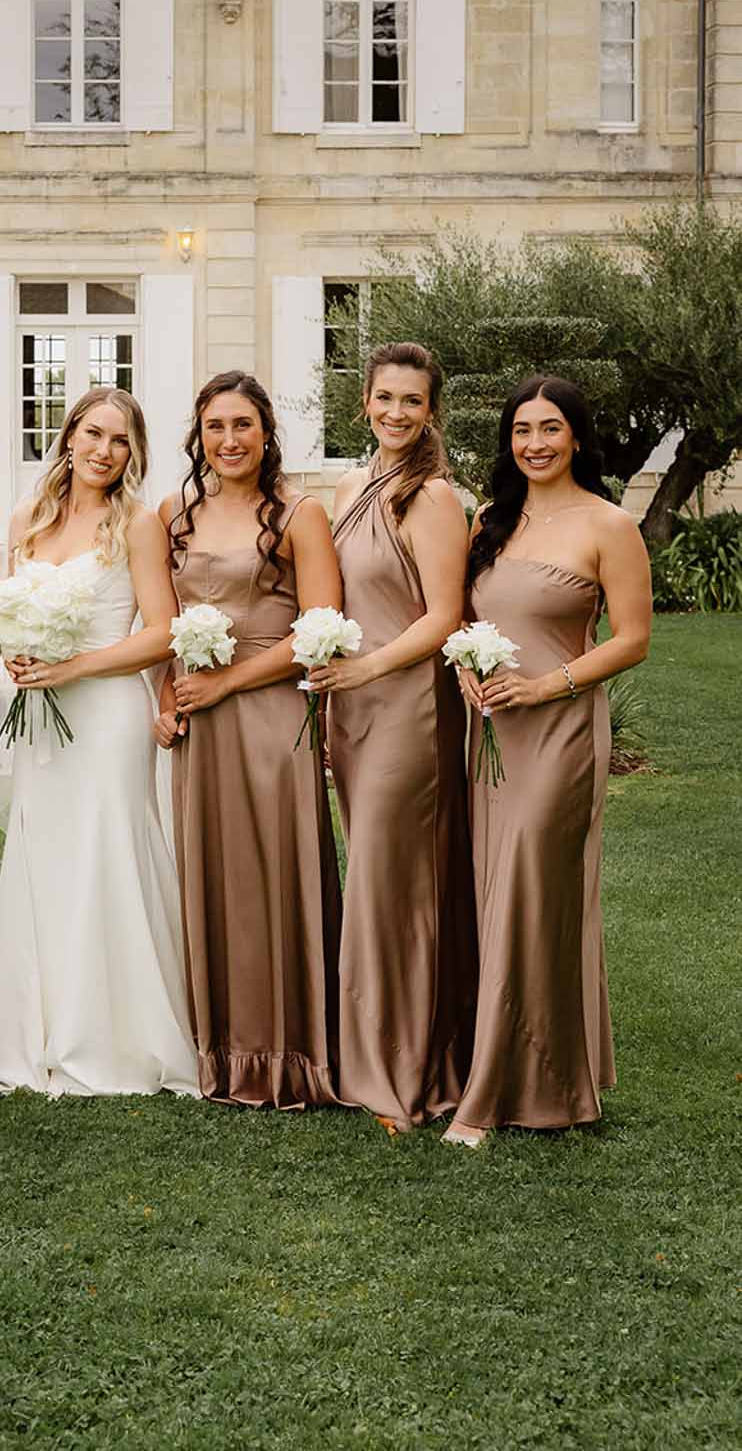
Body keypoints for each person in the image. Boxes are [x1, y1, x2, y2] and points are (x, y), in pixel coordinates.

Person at [445, 377, 651, 1146]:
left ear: (577, 436)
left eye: (551, 428)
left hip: (560, 729)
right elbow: (466, 614)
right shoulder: (489, 522)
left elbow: (632, 638)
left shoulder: (608, 524)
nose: (535, 443)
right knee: (494, 887)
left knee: (535, 886)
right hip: (492, 730)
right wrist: (466, 664)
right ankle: (545, 1073)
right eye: (522, 430)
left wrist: (547, 685)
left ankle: (495, 1092)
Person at [0, 387, 197, 1098]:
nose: (105, 451)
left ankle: (118, 1040)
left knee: (107, 857)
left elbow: (160, 631)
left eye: (121, 440)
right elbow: (10, 609)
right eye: (95, 434)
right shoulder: (26, 519)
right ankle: (38, 1033)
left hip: (106, 714)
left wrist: (72, 666)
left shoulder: (136, 524)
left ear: (132, 453)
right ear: (68, 436)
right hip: (42, 715)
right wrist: (18, 653)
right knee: (44, 857)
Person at [158, 371, 342, 1109]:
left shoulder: (300, 514)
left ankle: (295, 1055)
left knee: (276, 871)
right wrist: (164, 696)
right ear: (198, 437)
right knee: (216, 875)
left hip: (269, 714)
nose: (228, 441)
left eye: (241, 425)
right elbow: (157, 617)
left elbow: (320, 630)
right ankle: (224, 1052)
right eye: (214, 428)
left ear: (267, 432)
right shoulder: (175, 513)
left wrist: (229, 683)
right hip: (200, 720)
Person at [307, 343, 476, 1130]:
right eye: (385, 399)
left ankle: (403, 1073)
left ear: (431, 411)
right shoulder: (349, 486)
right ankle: (371, 1051)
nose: (397, 414)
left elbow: (443, 616)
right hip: (354, 704)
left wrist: (367, 669)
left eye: (413, 402)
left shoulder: (435, 498)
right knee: (375, 877)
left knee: (393, 885)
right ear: (365, 403)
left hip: (408, 705)